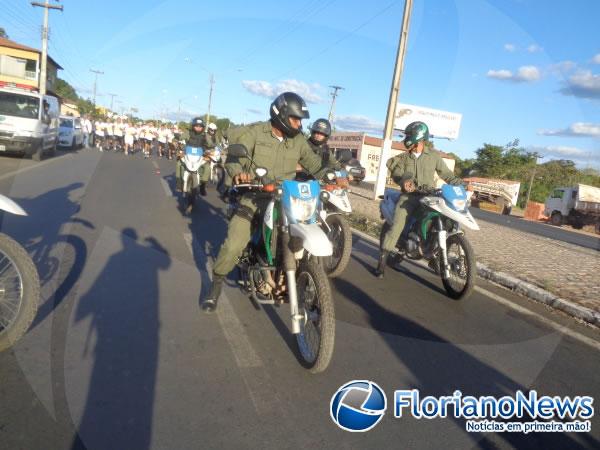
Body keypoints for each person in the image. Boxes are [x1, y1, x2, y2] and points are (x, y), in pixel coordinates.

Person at [200, 92, 329, 313]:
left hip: (287, 198)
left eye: (300, 120)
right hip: (255, 195)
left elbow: (314, 164)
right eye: (295, 119)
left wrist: (333, 175)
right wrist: (239, 173)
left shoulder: (298, 140)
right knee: (234, 244)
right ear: (281, 115)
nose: (299, 125)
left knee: (310, 228)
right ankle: (216, 284)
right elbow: (235, 158)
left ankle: (306, 279)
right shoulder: (256, 132)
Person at [374, 121, 463, 278]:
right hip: (409, 197)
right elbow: (397, 173)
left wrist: (462, 185)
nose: (406, 139)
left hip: (430, 196)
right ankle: (382, 261)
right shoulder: (403, 158)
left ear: (419, 137)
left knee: (445, 219)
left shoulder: (433, 156)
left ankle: (434, 254)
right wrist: (404, 182)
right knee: (397, 225)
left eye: (409, 135)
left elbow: (447, 175)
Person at [198, 122, 218, 196]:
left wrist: (222, 150)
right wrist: (205, 150)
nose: (212, 132)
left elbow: (218, 144)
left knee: (217, 161)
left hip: (211, 153)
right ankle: (202, 185)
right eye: (211, 130)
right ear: (208, 129)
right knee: (206, 167)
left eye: (214, 130)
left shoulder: (215, 137)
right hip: (203, 153)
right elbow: (201, 144)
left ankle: (203, 182)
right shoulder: (204, 135)